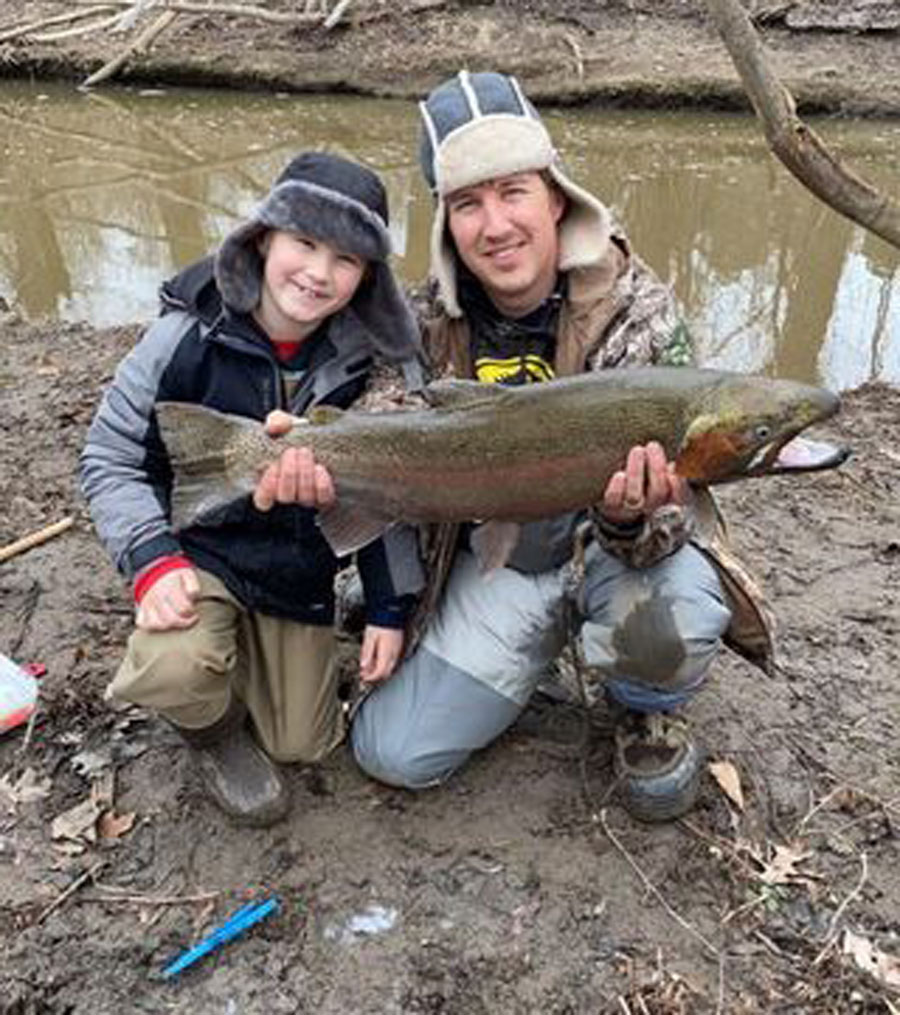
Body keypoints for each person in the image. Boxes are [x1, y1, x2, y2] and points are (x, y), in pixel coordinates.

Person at [259, 74, 774, 822]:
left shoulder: (640, 309)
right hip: (498, 561)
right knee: (393, 752)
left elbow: (680, 524)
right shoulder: (418, 322)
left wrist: (630, 519)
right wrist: (314, 460)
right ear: (445, 225)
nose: (495, 223)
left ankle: (642, 708)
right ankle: (526, 656)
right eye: (467, 203)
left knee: (681, 610)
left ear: (556, 197)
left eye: (513, 192)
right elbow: (382, 425)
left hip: (617, 558)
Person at [80, 151, 426, 827]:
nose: (319, 273)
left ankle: (242, 666)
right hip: (201, 555)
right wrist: (151, 560)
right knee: (175, 668)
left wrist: (389, 605)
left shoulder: (378, 362)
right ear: (264, 237)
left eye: (347, 260)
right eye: (304, 243)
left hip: (299, 572)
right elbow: (110, 456)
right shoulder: (183, 334)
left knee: (304, 744)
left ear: (367, 277)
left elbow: (391, 491)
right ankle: (209, 729)